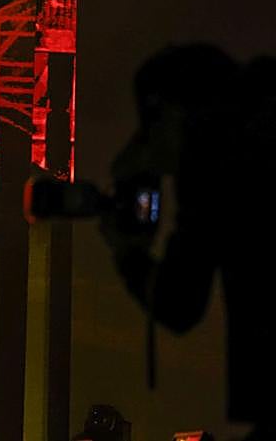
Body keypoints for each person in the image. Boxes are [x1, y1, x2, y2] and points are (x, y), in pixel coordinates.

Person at [98, 45, 275, 441]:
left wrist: (128, 253)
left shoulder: (221, 165)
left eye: (150, 124)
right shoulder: (251, 137)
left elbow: (178, 304)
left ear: (174, 113)